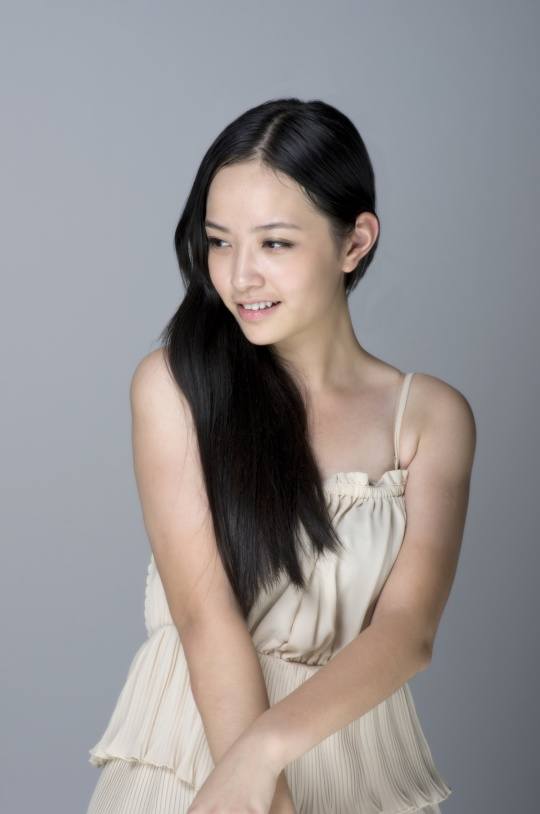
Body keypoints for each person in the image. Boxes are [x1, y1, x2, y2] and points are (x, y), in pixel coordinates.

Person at [86, 97, 476, 814]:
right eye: (219, 242)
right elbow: (205, 616)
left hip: (352, 763)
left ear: (355, 243)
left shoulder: (429, 418)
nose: (239, 277)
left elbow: (408, 631)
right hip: (196, 753)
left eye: (274, 244)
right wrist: (255, 782)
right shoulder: (176, 386)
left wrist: (267, 751)